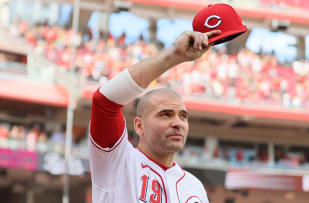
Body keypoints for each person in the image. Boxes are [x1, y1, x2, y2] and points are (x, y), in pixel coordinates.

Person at [89, 30, 221, 203]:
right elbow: (105, 102)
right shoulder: (117, 161)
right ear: (139, 126)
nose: (177, 123)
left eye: (183, 116)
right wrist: (175, 55)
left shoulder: (194, 187)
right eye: (165, 114)